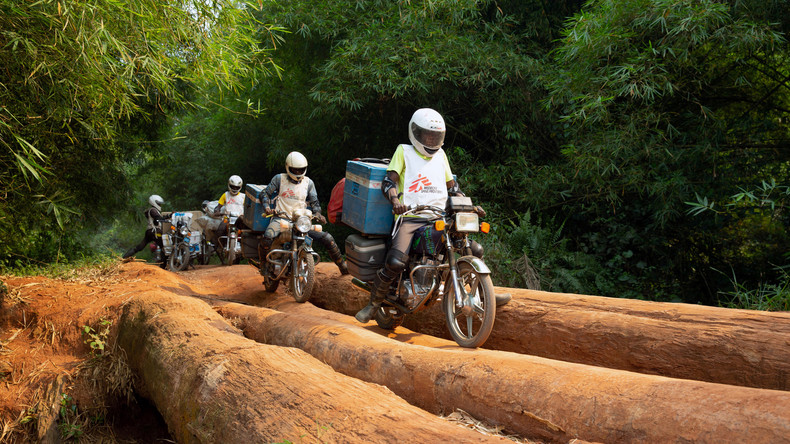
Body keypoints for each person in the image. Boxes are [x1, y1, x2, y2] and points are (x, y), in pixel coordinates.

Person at [355, 108, 509, 323]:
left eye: (435, 136)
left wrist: (468, 205)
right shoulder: (404, 151)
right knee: (396, 261)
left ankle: (485, 294)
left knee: (474, 249)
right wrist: (395, 201)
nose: (431, 139)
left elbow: (452, 187)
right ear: (415, 132)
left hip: (438, 217)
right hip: (409, 217)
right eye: (426, 135)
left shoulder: (441, 155)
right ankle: (373, 305)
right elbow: (389, 181)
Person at [258, 151, 349, 275]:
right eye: (294, 170)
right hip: (280, 219)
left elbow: (315, 202)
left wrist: (317, 213)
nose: (298, 172)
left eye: (301, 170)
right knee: (268, 237)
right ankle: (264, 265)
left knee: (328, 238)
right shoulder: (280, 179)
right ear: (288, 167)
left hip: (301, 221)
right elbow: (264, 193)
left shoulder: (308, 183)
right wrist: (267, 206)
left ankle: (343, 266)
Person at [122, 194, 170, 260]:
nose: (160, 205)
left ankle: (124, 257)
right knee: (164, 247)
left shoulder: (151, 210)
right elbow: (157, 218)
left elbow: (158, 218)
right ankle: (163, 266)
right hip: (155, 232)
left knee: (140, 247)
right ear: (154, 202)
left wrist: (166, 217)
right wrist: (165, 219)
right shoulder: (153, 210)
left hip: (149, 232)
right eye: (159, 203)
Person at [212, 175, 246, 247]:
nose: (234, 189)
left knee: (246, 232)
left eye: (237, 187)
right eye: (232, 186)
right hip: (227, 218)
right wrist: (216, 210)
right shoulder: (225, 195)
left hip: (239, 219)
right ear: (229, 185)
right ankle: (217, 246)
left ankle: (245, 247)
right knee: (220, 230)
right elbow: (218, 206)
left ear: (240, 187)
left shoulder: (243, 197)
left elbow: (248, 208)